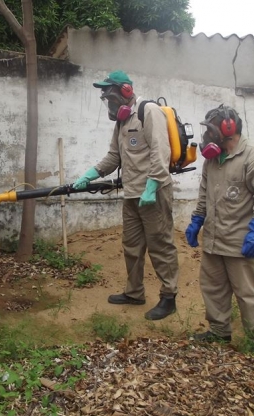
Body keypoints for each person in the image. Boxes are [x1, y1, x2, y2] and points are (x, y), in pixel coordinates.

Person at [73, 70, 179, 321]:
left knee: (160, 245)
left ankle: (169, 297)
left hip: (154, 193)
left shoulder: (148, 111)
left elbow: (160, 152)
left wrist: (152, 186)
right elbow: (114, 157)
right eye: (106, 99)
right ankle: (134, 293)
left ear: (126, 91)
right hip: (131, 194)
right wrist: (90, 174)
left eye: (111, 97)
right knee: (131, 246)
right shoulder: (121, 121)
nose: (109, 103)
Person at [185, 104, 254, 343]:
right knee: (213, 287)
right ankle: (219, 332)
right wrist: (197, 219)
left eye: (211, 129)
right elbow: (204, 193)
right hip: (214, 239)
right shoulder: (212, 160)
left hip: (241, 240)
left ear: (228, 128)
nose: (207, 135)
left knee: (247, 292)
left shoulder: (253, 155)